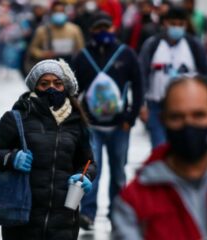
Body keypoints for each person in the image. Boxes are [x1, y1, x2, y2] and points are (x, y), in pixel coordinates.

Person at [0, 59, 96, 240]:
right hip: (23, 216)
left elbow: (88, 162)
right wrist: (12, 158)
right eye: (44, 84)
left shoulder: (76, 122)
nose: (51, 88)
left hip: (64, 219)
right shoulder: (18, 117)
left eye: (57, 83)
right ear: (35, 87)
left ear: (65, 87)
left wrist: (85, 176)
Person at [112, 75, 207, 240]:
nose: (188, 125)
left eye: (199, 115)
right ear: (163, 121)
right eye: (177, 117)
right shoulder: (134, 202)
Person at [71, 11, 143, 230]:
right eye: (98, 28)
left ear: (114, 29)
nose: (103, 32)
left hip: (119, 126)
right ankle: (88, 214)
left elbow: (139, 86)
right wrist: (78, 119)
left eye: (106, 28)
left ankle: (117, 214)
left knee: (119, 171)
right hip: (92, 125)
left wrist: (131, 117)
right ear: (91, 31)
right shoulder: (82, 57)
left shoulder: (126, 54)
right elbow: (74, 90)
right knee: (92, 170)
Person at [139, 6, 207, 149]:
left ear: (186, 25)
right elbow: (142, 74)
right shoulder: (153, 45)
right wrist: (142, 105)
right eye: (173, 24)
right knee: (160, 147)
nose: (176, 28)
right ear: (165, 23)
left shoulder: (193, 45)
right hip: (157, 106)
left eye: (180, 25)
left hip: (187, 107)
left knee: (184, 148)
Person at [28, 1, 84, 67]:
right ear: (51, 13)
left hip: (69, 66)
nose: (58, 14)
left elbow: (81, 50)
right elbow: (32, 49)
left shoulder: (74, 30)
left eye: (61, 11)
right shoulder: (42, 31)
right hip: (49, 67)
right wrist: (43, 54)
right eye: (56, 11)